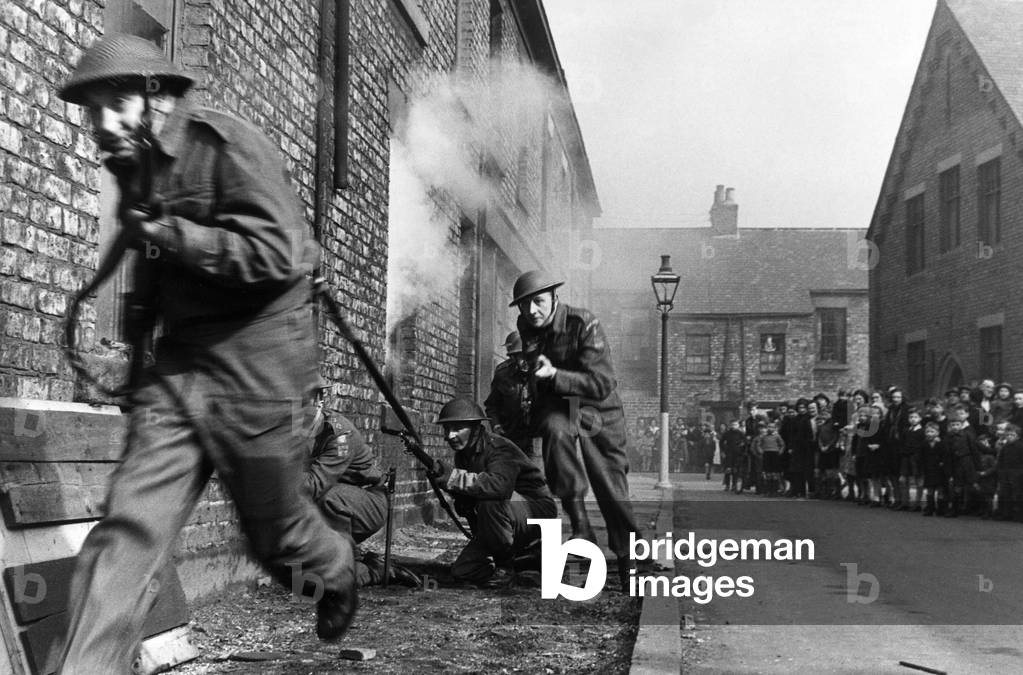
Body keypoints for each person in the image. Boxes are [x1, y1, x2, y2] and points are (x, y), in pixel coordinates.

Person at [54, 35, 357, 672]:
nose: (101, 124)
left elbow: (278, 256)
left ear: (155, 98)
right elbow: (154, 279)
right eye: (92, 111)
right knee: (128, 534)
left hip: (259, 371)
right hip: (181, 372)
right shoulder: (136, 166)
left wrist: (167, 232)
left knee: (277, 540)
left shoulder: (226, 144)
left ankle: (335, 568)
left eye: (115, 104)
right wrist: (138, 357)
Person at [510, 270, 644, 586]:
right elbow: (534, 374)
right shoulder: (526, 326)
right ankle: (581, 525)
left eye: (539, 302)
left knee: (608, 481)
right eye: (525, 305)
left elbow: (601, 382)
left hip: (598, 406)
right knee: (555, 434)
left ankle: (629, 558)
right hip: (560, 405)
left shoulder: (584, 324)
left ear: (555, 298)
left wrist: (555, 374)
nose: (532, 312)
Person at [432, 397, 557, 586]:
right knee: (463, 571)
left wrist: (455, 478)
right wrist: (449, 486)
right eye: (447, 429)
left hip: (536, 511)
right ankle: (526, 558)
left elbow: (499, 487)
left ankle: (505, 566)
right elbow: (471, 497)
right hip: (505, 516)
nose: (450, 436)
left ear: (475, 428)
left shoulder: (500, 448)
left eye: (457, 428)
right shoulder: (463, 455)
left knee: (492, 500)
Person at [304, 387, 420, 587]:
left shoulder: (339, 435)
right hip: (338, 503)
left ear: (319, 401)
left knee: (332, 578)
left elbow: (313, 486)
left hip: (368, 502)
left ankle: (378, 570)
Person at [484, 331, 536, 458]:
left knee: (537, 475)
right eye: (520, 357)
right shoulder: (503, 374)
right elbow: (491, 406)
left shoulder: (545, 373)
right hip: (511, 439)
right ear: (513, 357)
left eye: (527, 356)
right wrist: (496, 426)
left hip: (537, 439)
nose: (524, 361)